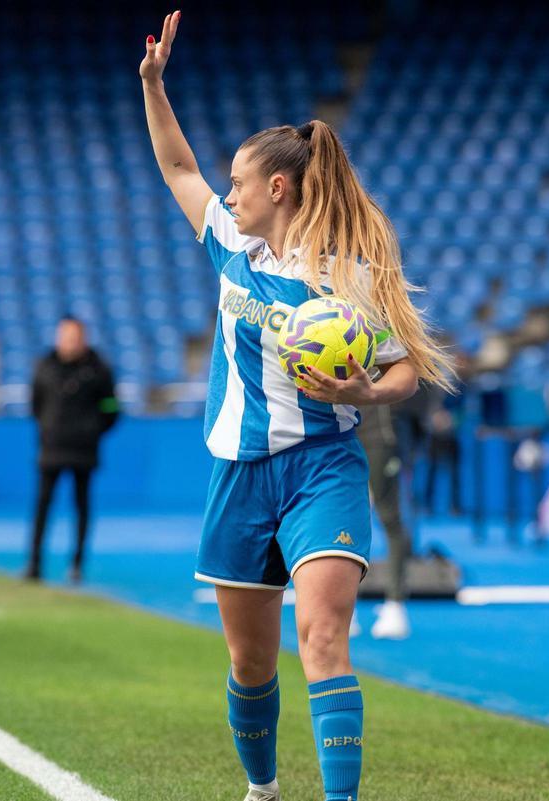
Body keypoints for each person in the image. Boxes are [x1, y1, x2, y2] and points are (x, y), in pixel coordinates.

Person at [141, 12, 455, 801]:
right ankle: (264, 789)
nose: (228, 192)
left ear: (276, 187)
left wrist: (363, 390)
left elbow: (406, 373)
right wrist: (153, 85)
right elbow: (178, 169)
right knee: (250, 664)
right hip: (239, 471)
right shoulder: (232, 246)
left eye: (239, 182)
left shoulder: (348, 278)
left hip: (324, 469)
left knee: (322, 638)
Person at [25, 316, 120, 584]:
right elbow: (35, 404)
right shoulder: (44, 366)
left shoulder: (99, 369)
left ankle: (77, 563)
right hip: (51, 448)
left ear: (84, 338)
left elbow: (112, 410)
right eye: (65, 336)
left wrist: (92, 431)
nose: (69, 342)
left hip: (84, 451)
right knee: (43, 505)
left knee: (81, 505)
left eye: (74, 336)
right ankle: (34, 563)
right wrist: (47, 428)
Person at [355, 403, 413, 640]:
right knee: (344, 523)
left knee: (389, 518)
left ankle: (395, 604)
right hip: (336, 435)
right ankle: (345, 608)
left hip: (378, 436)